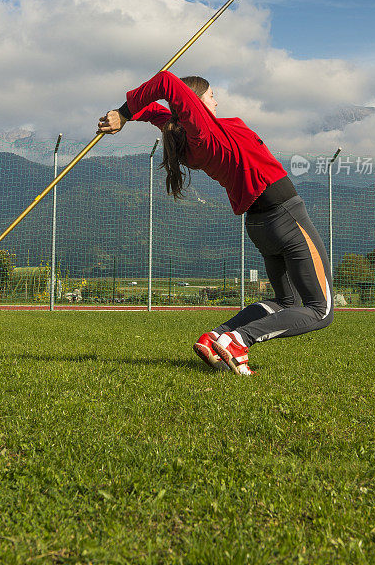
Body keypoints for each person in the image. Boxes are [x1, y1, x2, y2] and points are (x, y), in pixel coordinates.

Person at [98, 71, 333, 376]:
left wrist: (124, 116)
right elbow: (166, 81)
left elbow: (155, 111)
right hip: (285, 216)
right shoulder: (203, 132)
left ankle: (214, 339)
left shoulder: (184, 134)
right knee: (320, 310)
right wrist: (123, 112)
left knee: (287, 301)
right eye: (211, 96)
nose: (216, 101)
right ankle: (237, 340)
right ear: (194, 105)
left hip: (261, 225)